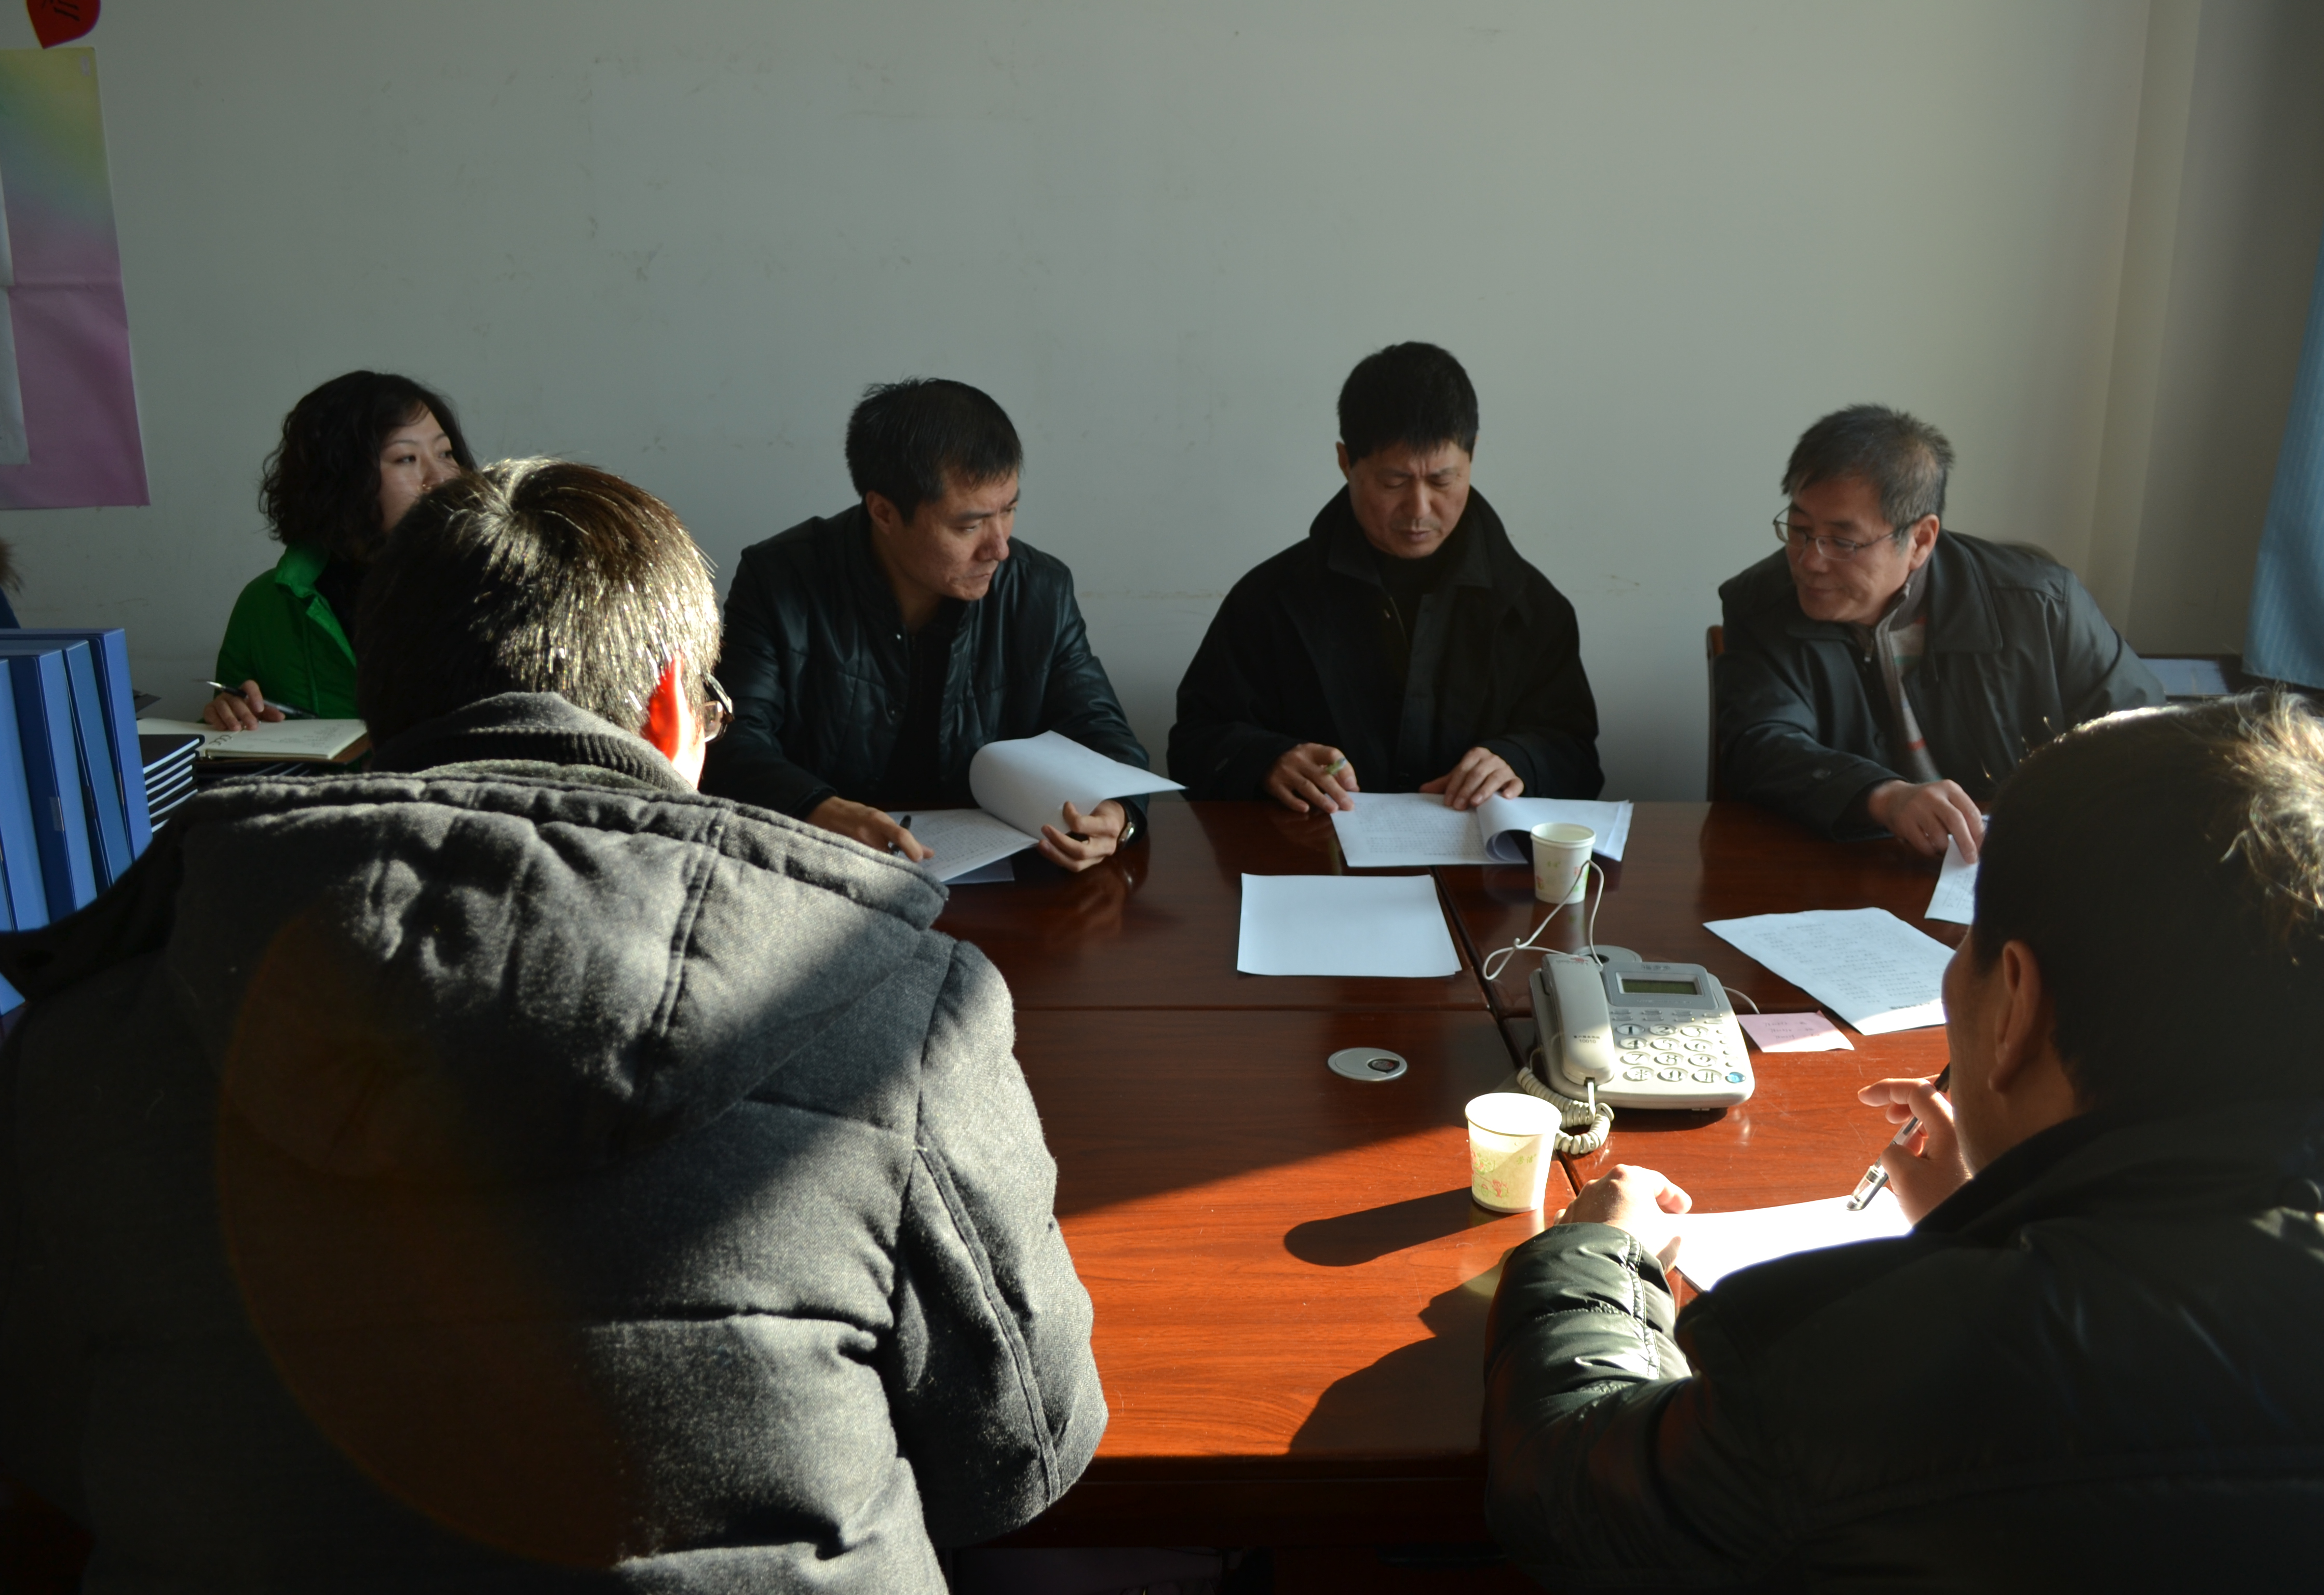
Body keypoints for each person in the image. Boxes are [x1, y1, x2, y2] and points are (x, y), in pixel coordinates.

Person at [0, 459, 1104, 1587]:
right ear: (673, 709)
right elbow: (1021, 1449)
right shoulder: (904, 1005)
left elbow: (48, 1435)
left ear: (380, 709)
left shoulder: (84, 1031)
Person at [1483, 693, 2324, 1587]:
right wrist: (2001, 1218)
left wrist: (1595, 1253)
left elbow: (1567, 1485)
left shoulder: (1859, 1369)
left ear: (2016, 1005)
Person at [702, 379, 1147, 872]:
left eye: (1010, 511)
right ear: (884, 512)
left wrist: (1119, 815)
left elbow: (1102, 731)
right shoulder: (780, 580)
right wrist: (819, 809)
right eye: (969, 526)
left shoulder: (1038, 589)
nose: (999, 548)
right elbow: (730, 740)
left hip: (1002, 881)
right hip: (824, 869)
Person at [1713, 404, 2162, 860]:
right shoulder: (1761, 604)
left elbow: (2145, 735)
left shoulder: (2041, 603)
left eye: (1843, 542)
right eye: (1800, 529)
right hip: (1848, 866)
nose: (1810, 561)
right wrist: (1883, 796)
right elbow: (1758, 746)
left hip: (2018, 858)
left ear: (1921, 540)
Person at [1170, 343, 1601, 814]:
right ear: (1345, 462)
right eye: (1394, 483)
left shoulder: (1531, 607)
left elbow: (1577, 757)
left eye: (1442, 481)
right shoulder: (1269, 600)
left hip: (1476, 857)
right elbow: (1193, 742)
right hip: (1314, 854)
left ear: (1473, 455)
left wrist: (1520, 761)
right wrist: (1266, 761)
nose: (1419, 509)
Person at [205, 370, 471, 729]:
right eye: (407, 458)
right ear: (342, 480)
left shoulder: (492, 589)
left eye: (446, 453)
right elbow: (231, 736)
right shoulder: (265, 606)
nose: (441, 478)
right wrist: (228, 715)